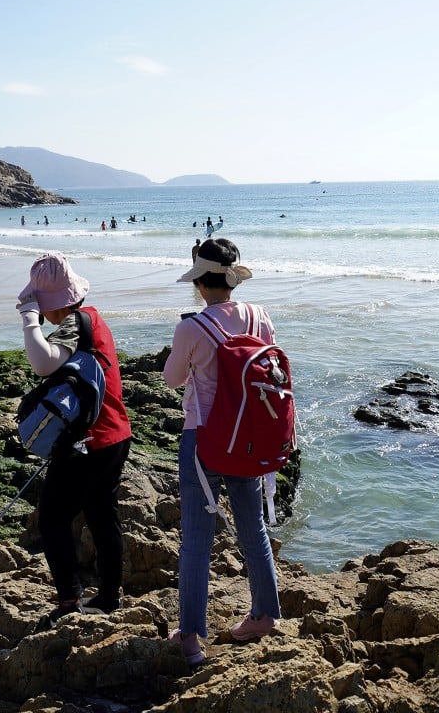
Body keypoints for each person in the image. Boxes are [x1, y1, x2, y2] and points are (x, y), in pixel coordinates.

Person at [162, 238, 281, 665]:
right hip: (248, 439)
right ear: (233, 279)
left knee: (197, 539)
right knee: (254, 529)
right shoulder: (259, 316)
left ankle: (191, 637)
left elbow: (173, 379)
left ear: (200, 283)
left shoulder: (191, 328)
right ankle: (264, 615)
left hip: (204, 441)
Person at [17, 253, 132, 617]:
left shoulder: (73, 324)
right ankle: (109, 596)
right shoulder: (93, 318)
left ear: (52, 303)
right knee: (101, 516)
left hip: (89, 440)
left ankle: (69, 600)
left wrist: (28, 319)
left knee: (52, 518)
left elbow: (42, 363)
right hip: (115, 432)